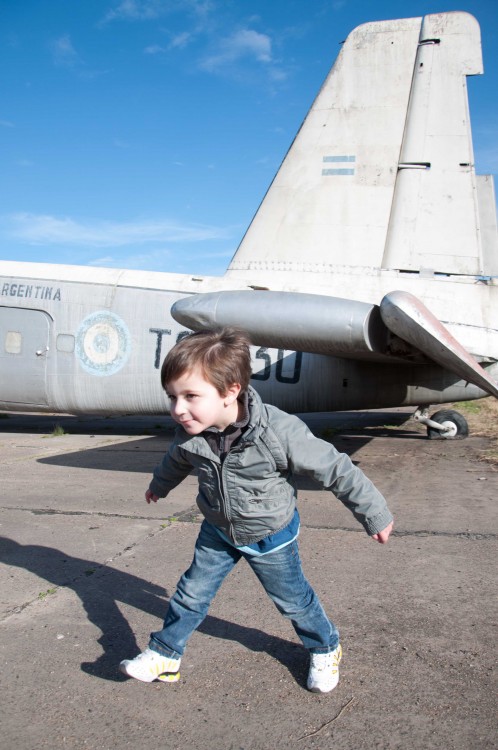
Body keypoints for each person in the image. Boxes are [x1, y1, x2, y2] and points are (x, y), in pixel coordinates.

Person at [119, 328, 393, 693]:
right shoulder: (191, 432)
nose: (178, 409)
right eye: (172, 397)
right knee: (190, 594)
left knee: (294, 602)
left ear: (231, 390)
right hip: (218, 529)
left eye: (190, 396)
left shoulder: (278, 431)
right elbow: (176, 460)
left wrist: (374, 514)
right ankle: (165, 655)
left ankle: (325, 647)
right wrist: (160, 485)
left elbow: (335, 468)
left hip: (271, 536)